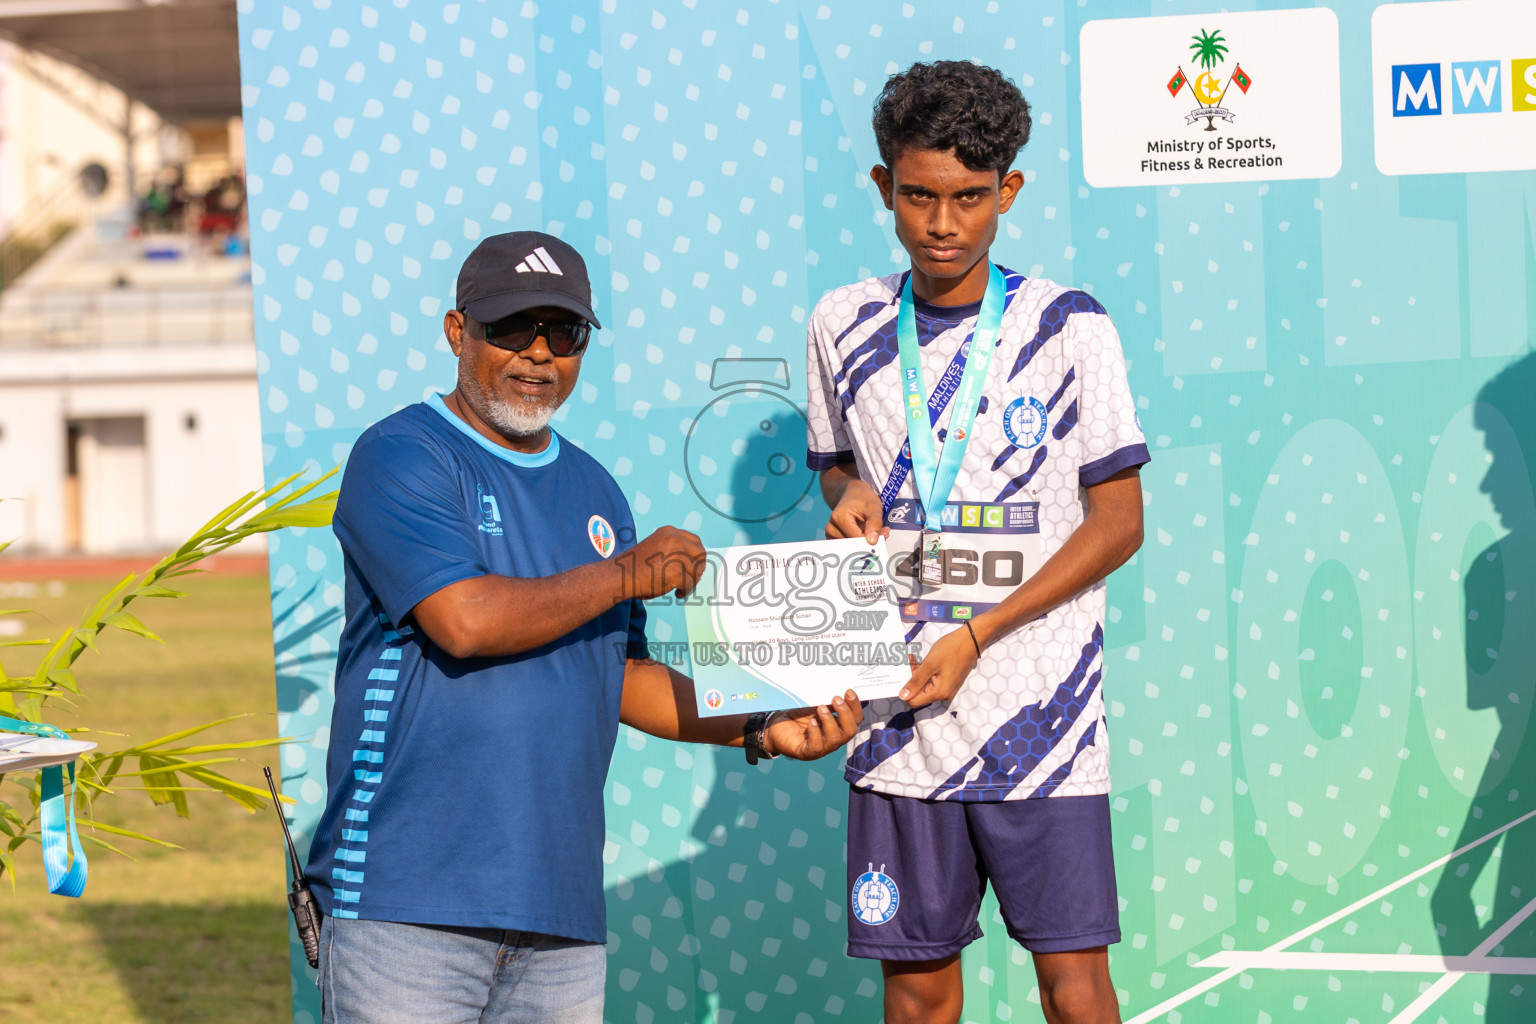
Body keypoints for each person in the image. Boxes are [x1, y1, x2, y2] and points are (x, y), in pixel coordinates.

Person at [305, 230, 863, 1024]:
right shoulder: (402, 454)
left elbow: (622, 681)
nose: (538, 354)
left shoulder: (596, 489)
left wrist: (768, 723)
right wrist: (627, 573)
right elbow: (462, 620)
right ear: (457, 332)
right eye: (510, 329)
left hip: (559, 914)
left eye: (562, 334)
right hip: (407, 900)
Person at [805, 62, 1149, 1024]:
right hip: (898, 717)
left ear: (1009, 191)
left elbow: (1118, 522)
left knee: (1073, 989)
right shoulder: (843, 323)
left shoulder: (1068, 326)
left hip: (1046, 722)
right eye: (918, 196)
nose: (942, 224)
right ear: (884, 188)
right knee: (917, 993)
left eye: (967, 198)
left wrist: (982, 633)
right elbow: (839, 468)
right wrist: (850, 493)